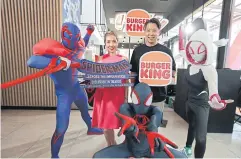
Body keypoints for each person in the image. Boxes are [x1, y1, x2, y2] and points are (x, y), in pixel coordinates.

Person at [27, 22, 103, 158]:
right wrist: (56, 62)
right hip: (64, 95)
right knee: (61, 128)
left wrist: (89, 33)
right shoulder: (53, 53)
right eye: (72, 40)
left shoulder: (78, 47)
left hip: (77, 88)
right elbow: (31, 61)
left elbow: (83, 43)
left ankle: (91, 128)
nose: (75, 43)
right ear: (65, 36)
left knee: (86, 111)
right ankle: (54, 156)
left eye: (76, 40)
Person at [178, 18, 233, 158]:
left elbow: (213, 87)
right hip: (189, 102)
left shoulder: (208, 69)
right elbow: (182, 50)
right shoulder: (191, 64)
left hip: (202, 105)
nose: (195, 53)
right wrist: (180, 34)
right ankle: (187, 148)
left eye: (200, 49)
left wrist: (215, 97)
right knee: (191, 127)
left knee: (201, 138)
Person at [93, 82, 187, 158]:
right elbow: (126, 118)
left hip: (152, 149)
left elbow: (156, 119)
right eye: (137, 100)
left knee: (182, 158)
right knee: (98, 156)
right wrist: (130, 127)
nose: (141, 105)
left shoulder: (155, 110)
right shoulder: (126, 108)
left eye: (146, 101)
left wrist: (153, 128)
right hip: (128, 148)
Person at [130, 18, 176, 112]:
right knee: (139, 124)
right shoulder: (137, 51)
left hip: (159, 96)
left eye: (154, 30)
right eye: (148, 30)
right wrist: (132, 90)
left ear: (159, 32)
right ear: (144, 32)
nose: (151, 34)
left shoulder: (166, 51)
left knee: (154, 125)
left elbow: (173, 71)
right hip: (140, 95)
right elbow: (133, 73)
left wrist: (167, 74)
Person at [92, 31, 128, 146]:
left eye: (113, 41)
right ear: (105, 44)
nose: (111, 44)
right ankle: (111, 145)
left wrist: (126, 97)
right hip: (103, 96)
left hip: (117, 95)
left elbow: (126, 80)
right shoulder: (100, 59)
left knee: (117, 123)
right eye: (108, 42)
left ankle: (115, 145)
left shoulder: (124, 59)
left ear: (117, 43)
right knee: (106, 127)